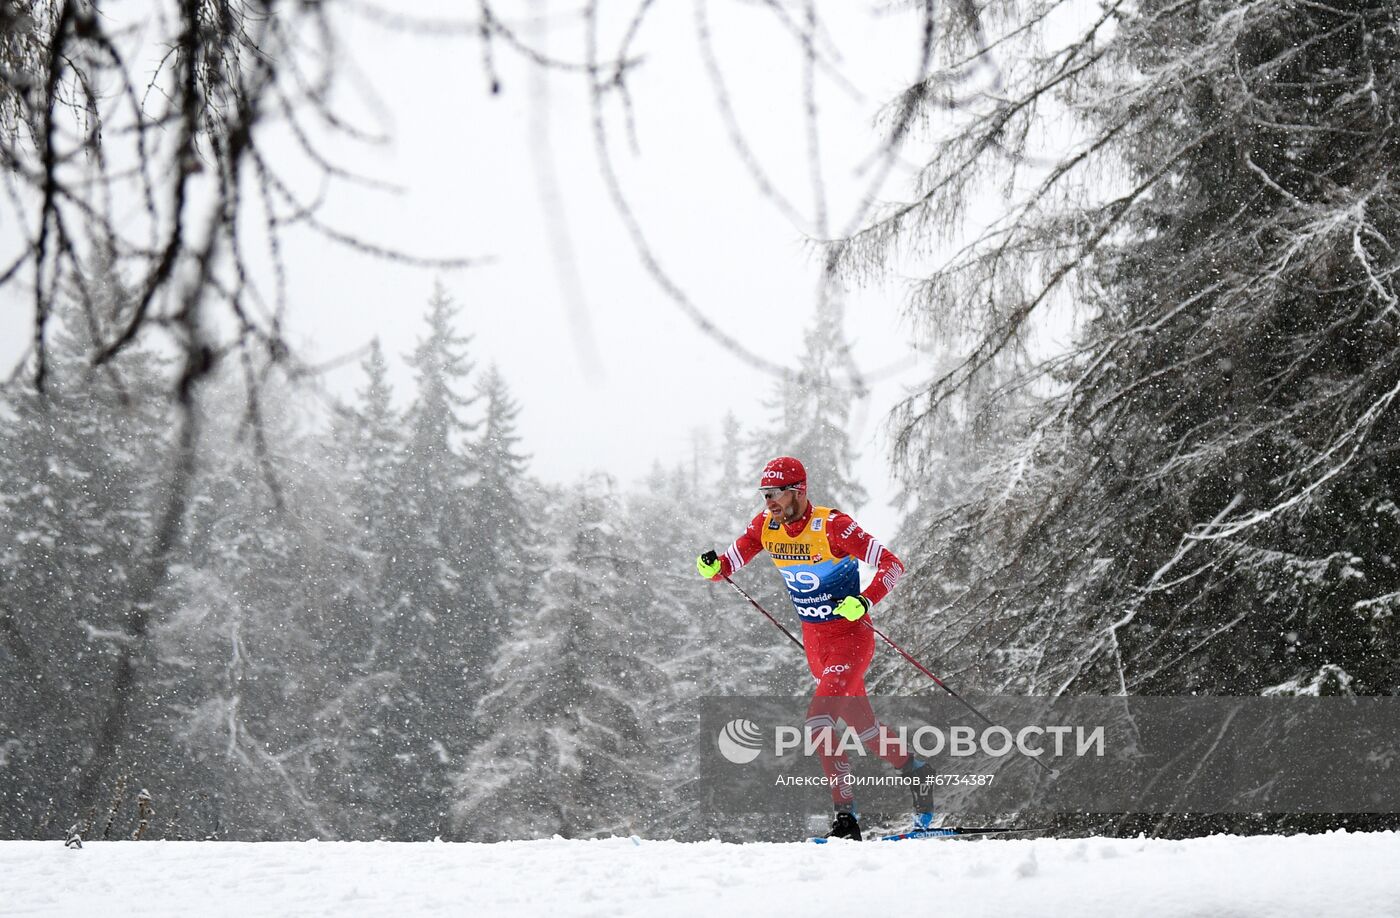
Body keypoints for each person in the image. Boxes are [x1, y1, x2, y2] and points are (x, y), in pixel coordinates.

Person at [696, 456, 933, 840]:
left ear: (798, 491)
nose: (769, 501)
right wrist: (712, 567)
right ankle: (917, 770)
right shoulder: (766, 527)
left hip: (851, 641)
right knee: (865, 729)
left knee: (819, 721)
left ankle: (846, 819)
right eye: (764, 494)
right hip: (815, 644)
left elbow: (892, 564)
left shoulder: (833, 527)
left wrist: (866, 600)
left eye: (775, 493)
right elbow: (729, 564)